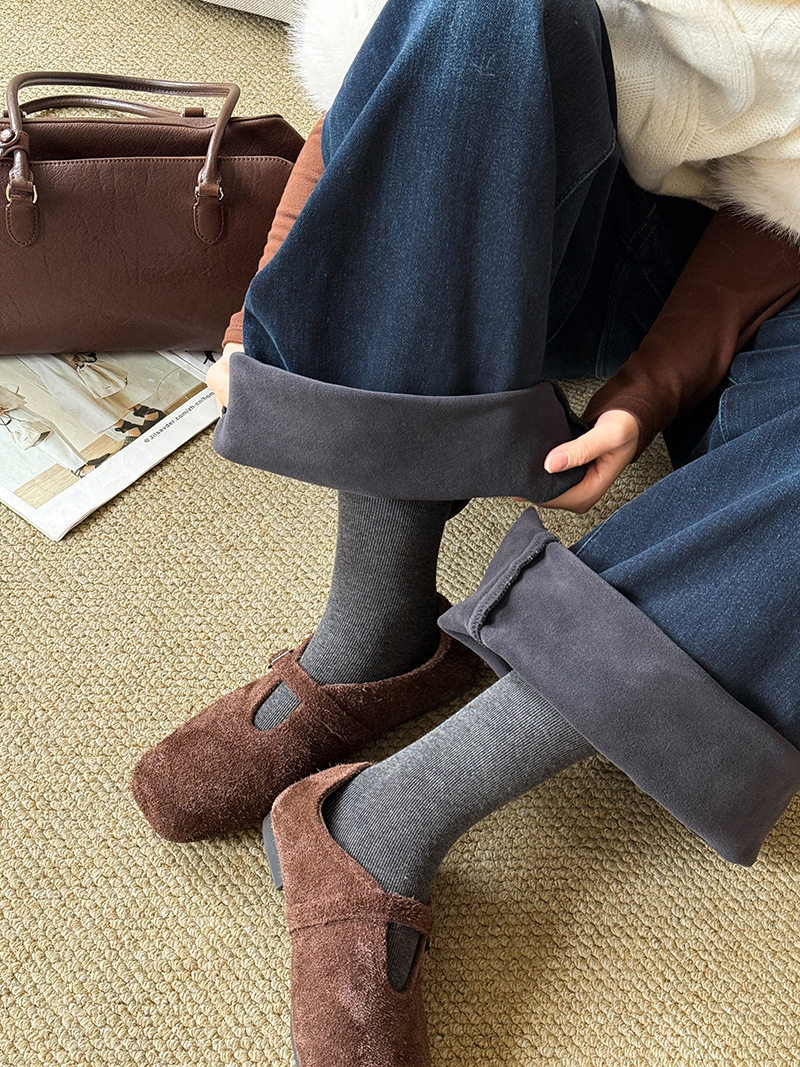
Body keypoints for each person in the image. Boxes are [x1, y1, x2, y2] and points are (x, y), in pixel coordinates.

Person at [132, 0, 800, 1062]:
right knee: (479, 13)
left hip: (775, 294)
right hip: (555, 217)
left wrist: (652, 387)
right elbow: (398, 72)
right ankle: (376, 631)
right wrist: (256, 310)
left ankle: (379, 819)